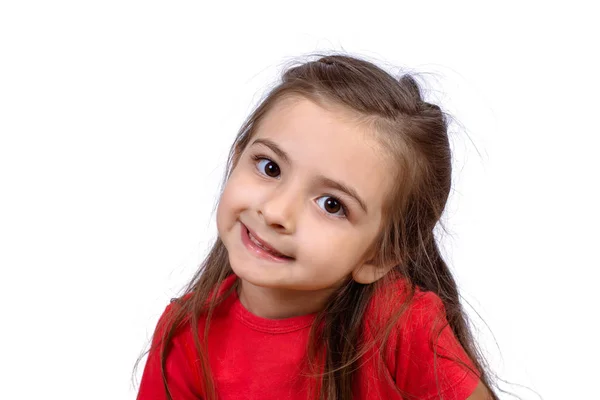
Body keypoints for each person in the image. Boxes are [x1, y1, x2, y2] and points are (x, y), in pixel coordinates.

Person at [136, 53, 497, 400]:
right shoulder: (184, 335)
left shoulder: (401, 327)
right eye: (270, 167)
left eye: (332, 205)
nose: (277, 211)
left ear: (379, 255)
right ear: (237, 158)